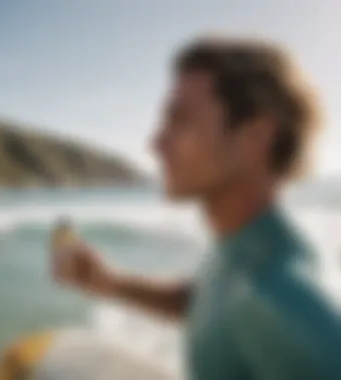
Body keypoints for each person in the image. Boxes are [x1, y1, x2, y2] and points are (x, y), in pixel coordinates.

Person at [52, 35, 341, 379]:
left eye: (179, 119)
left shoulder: (281, 292)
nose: (155, 143)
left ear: (255, 136)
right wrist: (108, 282)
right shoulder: (246, 248)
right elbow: (207, 301)